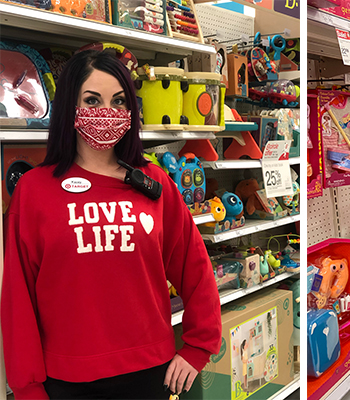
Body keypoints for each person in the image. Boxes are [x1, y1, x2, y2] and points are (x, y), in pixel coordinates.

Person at [1, 49, 222, 399]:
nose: (107, 112)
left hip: (150, 373)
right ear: (70, 108)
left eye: (119, 101)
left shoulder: (154, 184)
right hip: (66, 381)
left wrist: (199, 347)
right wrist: (27, 387)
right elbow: (18, 298)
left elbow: (195, 269)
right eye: (92, 100)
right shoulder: (34, 191)